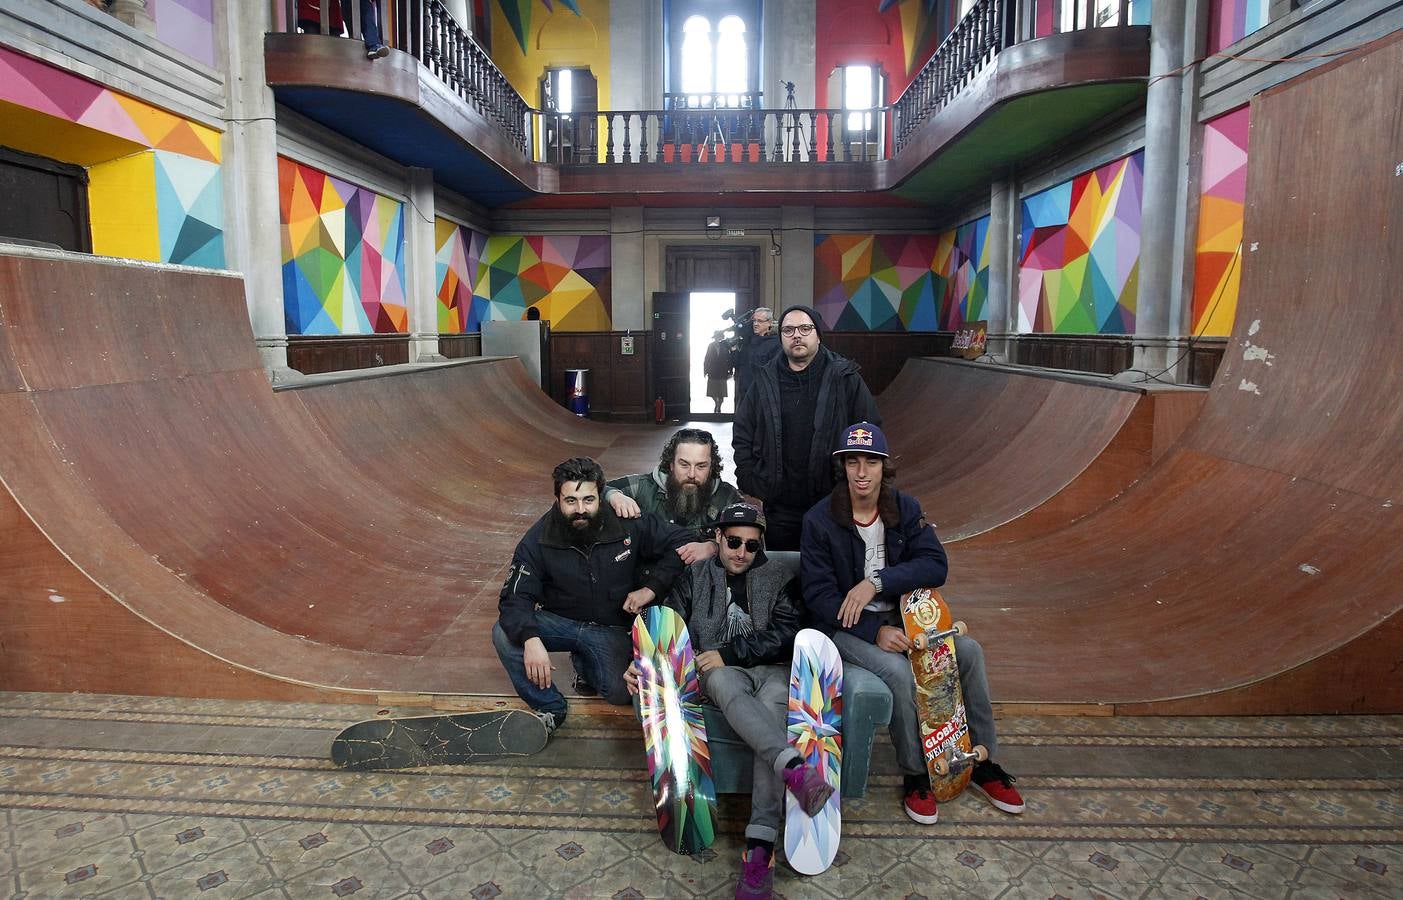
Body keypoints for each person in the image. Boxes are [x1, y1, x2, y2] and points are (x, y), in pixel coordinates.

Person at [800, 422, 1025, 824]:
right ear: (843, 468)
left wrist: (876, 582)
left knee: (969, 652)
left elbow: (936, 565)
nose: (862, 472)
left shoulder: (903, 508)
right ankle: (916, 773)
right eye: (853, 462)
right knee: (901, 675)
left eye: (871, 462)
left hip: (902, 616)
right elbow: (818, 600)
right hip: (849, 629)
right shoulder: (820, 520)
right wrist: (874, 631)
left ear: (885, 467)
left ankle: (981, 759)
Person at [625, 503, 833, 900]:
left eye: (751, 546)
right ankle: (793, 769)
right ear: (717, 537)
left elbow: (789, 633)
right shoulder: (692, 578)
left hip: (772, 672)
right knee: (719, 678)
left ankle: (759, 847)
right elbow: (669, 628)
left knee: (771, 709)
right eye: (733, 541)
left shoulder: (780, 577)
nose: (741, 552)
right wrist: (640, 664)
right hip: (720, 675)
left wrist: (731, 652)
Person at [493, 457, 692, 733]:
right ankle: (550, 707)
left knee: (621, 693)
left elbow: (679, 540)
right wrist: (530, 638)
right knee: (505, 633)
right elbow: (514, 598)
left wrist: (652, 587)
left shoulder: (627, 524)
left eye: (588, 500)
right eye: (571, 501)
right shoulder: (538, 538)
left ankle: (585, 664)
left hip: (612, 629)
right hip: (562, 623)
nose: (580, 510)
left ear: (601, 496)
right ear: (558, 498)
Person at [733, 305, 880, 550]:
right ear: (780, 337)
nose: (797, 335)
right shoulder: (765, 380)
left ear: (818, 334)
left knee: (830, 577)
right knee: (785, 576)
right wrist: (749, 477)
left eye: (805, 328)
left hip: (832, 501)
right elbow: (743, 431)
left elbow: (869, 431)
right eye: (788, 330)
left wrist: (854, 481)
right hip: (779, 505)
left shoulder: (844, 377)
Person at [604, 427, 742, 565]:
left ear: (712, 467)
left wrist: (714, 547)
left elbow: (751, 541)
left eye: (701, 466)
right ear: (671, 464)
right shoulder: (642, 487)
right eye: (684, 464)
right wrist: (613, 495)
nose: (692, 474)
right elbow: (594, 489)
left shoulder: (727, 497)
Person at [296, 0, 388, 58]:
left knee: (363, 10)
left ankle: (372, 44)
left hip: (331, 13)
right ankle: (369, 44)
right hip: (315, 10)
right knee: (314, 38)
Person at [734, 306, 779, 401]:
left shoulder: (776, 343)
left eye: (760, 321)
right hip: (745, 392)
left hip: (763, 395)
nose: (755, 324)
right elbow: (738, 364)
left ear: (769, 322)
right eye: (754, 321)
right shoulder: (748, 342)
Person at [703, 331, 735, 414]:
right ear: (715, 338)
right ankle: (716, 403)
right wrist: (705, 370)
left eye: (720, 337)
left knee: (722, 392)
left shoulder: (725, 346)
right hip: (712, 372)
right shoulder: (710, 346)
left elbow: (730, 359)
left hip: (722, 372)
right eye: (717, 337)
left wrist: (730, 371)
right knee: (712, 391)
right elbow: (707, 358)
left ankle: (719, 406)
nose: (718, 339)